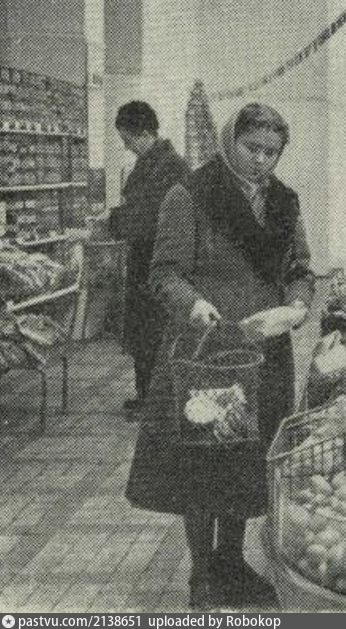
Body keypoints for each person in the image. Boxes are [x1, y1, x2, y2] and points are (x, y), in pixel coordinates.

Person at [125, 104, 314, 610]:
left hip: (263, 348)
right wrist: (193, 304)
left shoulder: (284, 202)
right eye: (252, 148)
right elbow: (164, 273)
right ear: (230, 142)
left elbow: (300, 268)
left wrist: (298, 305)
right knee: (203, 456)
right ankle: (202, 573)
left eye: (272, 152)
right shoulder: (190, 194)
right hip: (206, 348)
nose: (261, 160)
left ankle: (232, 561)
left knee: (246, 455)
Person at [109, 101, 189, 414]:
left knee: (154, 333)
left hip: (158, 263)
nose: (126, 146)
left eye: (128, 139)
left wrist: (112, 222)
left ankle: (156, 402)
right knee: (144, 333)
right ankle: (146, 396)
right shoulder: (154, 163)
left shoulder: (169, 167)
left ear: (144, 134)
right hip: (145, 261)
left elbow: (148, 219)